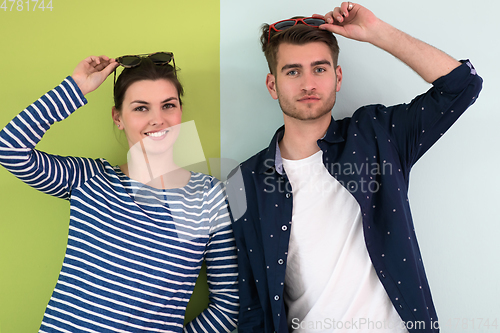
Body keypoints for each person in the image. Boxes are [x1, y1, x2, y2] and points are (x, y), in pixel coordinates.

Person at [226, 2, 482, 333]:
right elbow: (253, 304)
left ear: (338, 76)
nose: (308, 84)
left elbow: (463, 86)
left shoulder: (377, 136)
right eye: (292, 71)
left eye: (319, 69)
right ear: (272, 85)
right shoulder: (243, 181)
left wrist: (377, 32)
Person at [0, 53, 238, 332]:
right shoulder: (89, 179)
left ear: (180, 111)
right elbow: (10, 149)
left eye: (168, 105)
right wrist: (75, 86)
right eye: (141, 108)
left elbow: (229, 306)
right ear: (118, 117)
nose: (157, 119)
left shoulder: (212, 197)